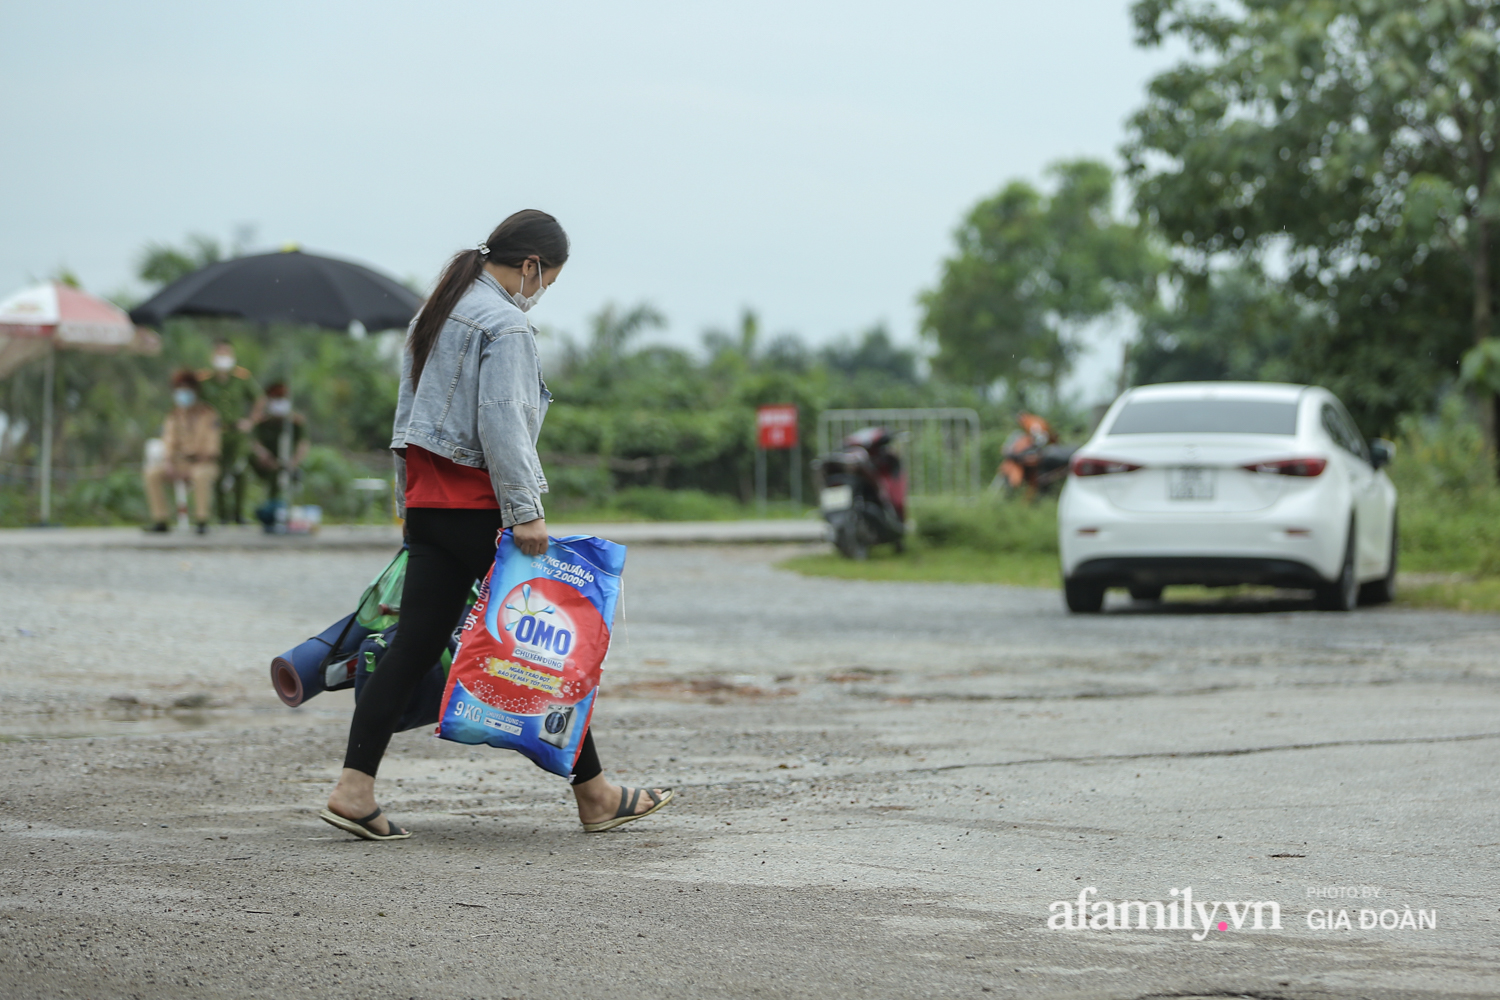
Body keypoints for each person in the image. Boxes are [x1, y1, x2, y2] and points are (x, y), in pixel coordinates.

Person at [321, 210, 673, 841]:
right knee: (545, 642)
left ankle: (354, 789)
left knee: (413, 648)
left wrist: (409, 506)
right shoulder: (505, 325)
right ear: (531, 265)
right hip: (479, 511)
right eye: (547, 281)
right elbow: (503, 422)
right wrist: (526, 512)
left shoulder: (434, 312)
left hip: (430, 510)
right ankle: (595, 795)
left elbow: (406, 422)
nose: (539, 294)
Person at [143, 370, 221, 534]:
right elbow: (169, 442)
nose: (183, 394)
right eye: (180, 390)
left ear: (195, 391)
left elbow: (213, 447)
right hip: (179, 463)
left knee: (200, 474)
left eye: (187, 389)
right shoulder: (174, 416)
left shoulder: (209, 415)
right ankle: (160, 519)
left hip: (204, 462)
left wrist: (194, 463)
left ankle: (201, 520)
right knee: (152, 473)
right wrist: (169, 463)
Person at [196, 341, 262, 524]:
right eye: (220, 353)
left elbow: (259, 399)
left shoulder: (242, 377)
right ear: (212, 356)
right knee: (216, 471)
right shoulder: (204, 379)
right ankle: (222, 514)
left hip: (236, 433)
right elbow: (195, 404)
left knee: (240, 468)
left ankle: (239, 513)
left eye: (227, 354)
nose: (223, 358)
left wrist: (250, 421)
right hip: (214, 434)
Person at [248, 382, 308, 502]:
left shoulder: (294, 423)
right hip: (266, 464)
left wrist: (293, 463)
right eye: (276, 399)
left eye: (282, 399)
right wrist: (263, 455)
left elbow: (303, 445)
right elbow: (254, 442)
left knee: (287, 480)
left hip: (288, 462)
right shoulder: (263, 423)